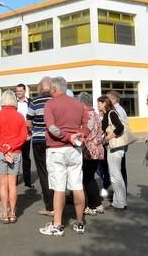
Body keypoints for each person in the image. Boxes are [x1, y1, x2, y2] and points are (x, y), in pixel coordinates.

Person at [39, 77, 89, 236]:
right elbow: (90, 124)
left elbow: (52, 128)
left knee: (59, 188)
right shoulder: (78, 104)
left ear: (53, 89)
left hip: (57, 149)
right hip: (75, 150)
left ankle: (58, 225)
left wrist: (68, 137)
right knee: (77, 186)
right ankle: (80, 223)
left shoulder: (50, 104)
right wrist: (80, 135)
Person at [0, 90, 28, 224]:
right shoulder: (19, 116)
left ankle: (4, 213)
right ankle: (13, 213)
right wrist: (11, 148)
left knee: (3, 184)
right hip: (15, 152)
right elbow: (23, 137)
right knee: (12, 184)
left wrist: (5, 149)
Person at [27, 77, 55, 216]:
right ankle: (59, 201)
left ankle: (50, 207)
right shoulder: (56, 100)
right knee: (56, 171)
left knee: (43, 173)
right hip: (55, 140)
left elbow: (29, 122)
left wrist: (35, 129)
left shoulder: (34, 102)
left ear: (40, 88)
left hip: (39, 140)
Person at [98, 95, 127, 212]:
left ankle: (121, 202)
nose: (98, 105)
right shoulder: (106, 114)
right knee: (114, 175)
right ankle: (117, 202)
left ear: (105, 103)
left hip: (115, 148)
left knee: (116, 175)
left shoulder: (111, 113)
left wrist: (107, 138)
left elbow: (120, 128)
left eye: (99, 103)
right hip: (112, 148)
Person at [77, 92, 105, 216]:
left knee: (87, 178)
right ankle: (97, 203)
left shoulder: (87, 115)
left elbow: (85, 133)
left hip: (90, 151)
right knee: (90, 178)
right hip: (98, 150)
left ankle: (92, 205)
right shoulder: (96, 114)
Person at [106, 90, 129, 192]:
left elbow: (118, 128)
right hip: (119, 142)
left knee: (118, 170)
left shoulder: (116, 110)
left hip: (117, 142)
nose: (106, 101)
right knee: (120, 169)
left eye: (108, 99)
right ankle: (121, 192)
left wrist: (107, 138)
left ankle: (120, 193)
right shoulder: (119, 109)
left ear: (113, 99)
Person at [14, 84, 33, 188]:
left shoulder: (30, 102)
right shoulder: (13, 103)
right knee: (15, 156)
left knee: (26, 157)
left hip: (27, 134)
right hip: (15, 134)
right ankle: (14, 180)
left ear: (25, 91)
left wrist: (31, 131)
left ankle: (27, 181)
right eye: (17, 91)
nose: (18, 92)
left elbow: (33, 117)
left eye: (20, 91)